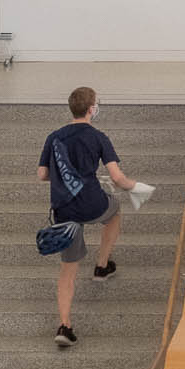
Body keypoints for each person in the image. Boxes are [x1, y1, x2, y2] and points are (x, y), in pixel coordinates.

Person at [40, 85, 140, 348]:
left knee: (67, 272)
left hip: (64, 209)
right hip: (93, 203)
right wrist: (137, 187)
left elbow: (42, 174)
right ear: (91, 109)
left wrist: (61, 176)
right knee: (114, 210)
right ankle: (102, 265)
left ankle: (64, 325)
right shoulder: (98, 137)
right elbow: (117, 178)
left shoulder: (54, 137)